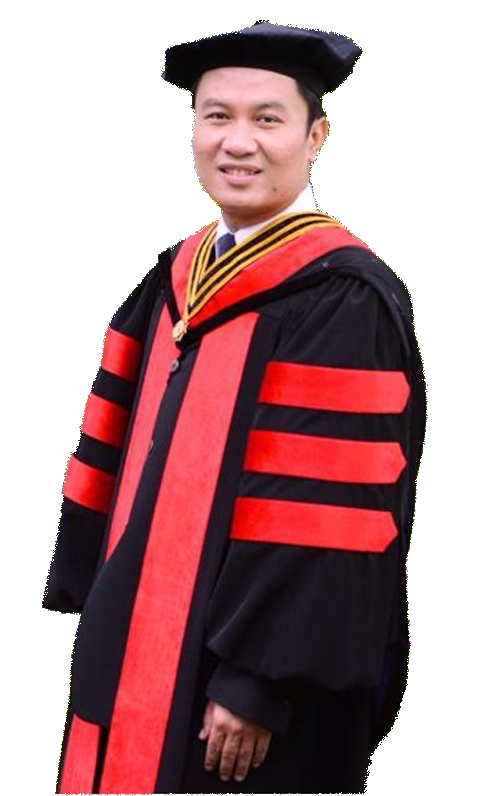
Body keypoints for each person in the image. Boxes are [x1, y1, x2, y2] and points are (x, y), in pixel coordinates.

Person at [43, 21, 426, 794]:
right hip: (138, 642)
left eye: (267, 119)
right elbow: (114, 448)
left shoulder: (342, 298)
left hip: (242, 693)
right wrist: (102, 604)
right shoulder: (176, 277)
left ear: (315, 137)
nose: (237, 142)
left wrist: (258, 679)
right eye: (216, 116)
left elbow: (325, 513)